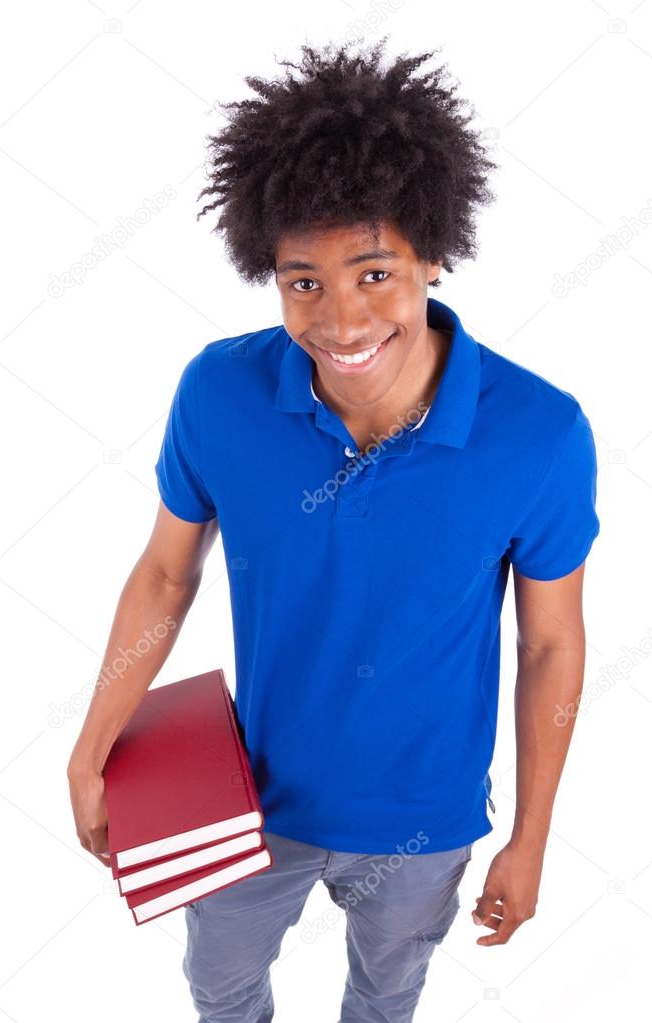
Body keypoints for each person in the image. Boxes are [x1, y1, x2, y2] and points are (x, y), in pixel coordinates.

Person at [68, 38, 601, 1023]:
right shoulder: (219, 394)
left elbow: (553, 643)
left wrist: (531, 837)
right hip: (240, 802)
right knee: (220, 993)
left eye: (373, 272)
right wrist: (92, 745)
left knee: (386, 996)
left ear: (432, 256)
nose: (340, 319)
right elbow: (164, 576)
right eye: (301, 281)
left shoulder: (538, 433)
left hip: (423, 821)